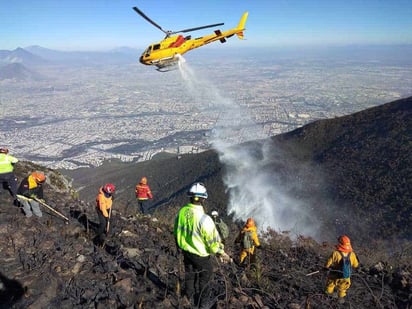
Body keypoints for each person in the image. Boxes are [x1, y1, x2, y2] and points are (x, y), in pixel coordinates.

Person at [174, 182, 232, 308]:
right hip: (200, 255)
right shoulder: (205, 220)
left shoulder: (182, 212)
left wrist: (178, 246)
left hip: (185, 251)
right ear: (203, 199)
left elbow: (176, 230)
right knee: (205, 278)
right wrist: (222, 252)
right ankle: (202, 304)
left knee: (189, 274)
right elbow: (213, 243)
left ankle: (187, 297)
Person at [324, 235, 359, 302]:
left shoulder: (335, 253)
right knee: (343, 289)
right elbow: (356, 265)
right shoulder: (352, 254)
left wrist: (326, 267)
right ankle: (340, 300)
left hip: (335, 274)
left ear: (340, 244)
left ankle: (327, 297)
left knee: (330, 284)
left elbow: (327, 264)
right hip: (346, 276)